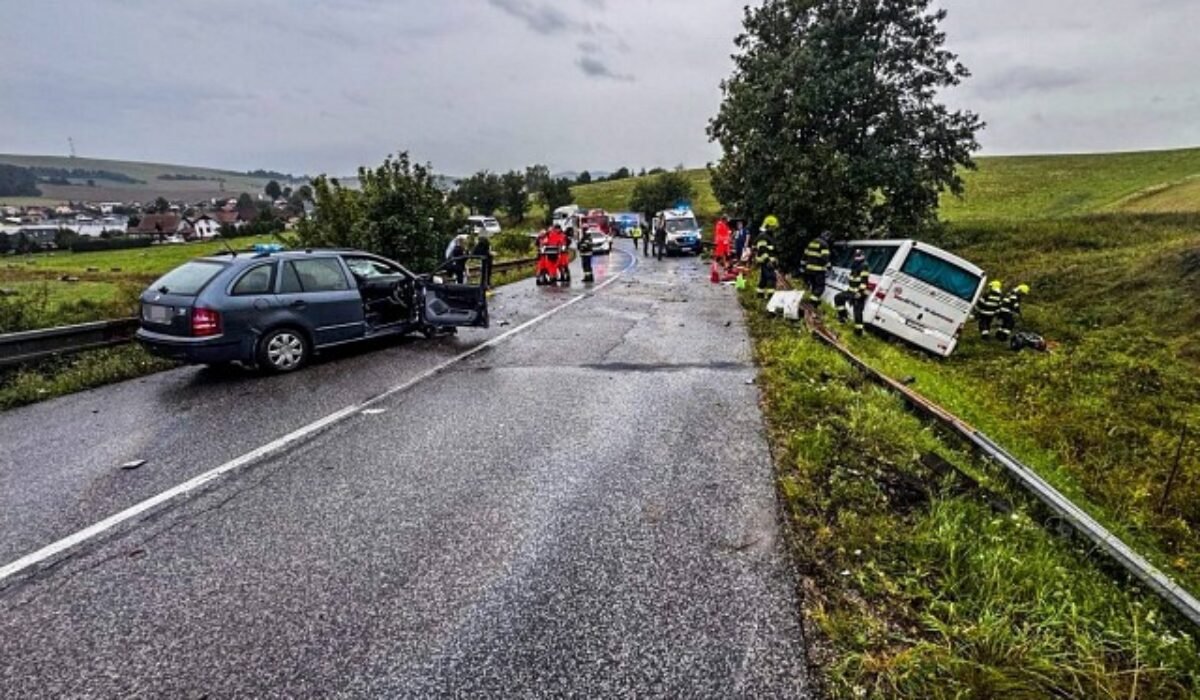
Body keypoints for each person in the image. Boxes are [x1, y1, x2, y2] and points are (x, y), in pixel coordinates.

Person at [834, 249, 870, 335]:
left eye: (859, 256)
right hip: (851, 291)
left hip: (859, 293)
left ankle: (858, 331)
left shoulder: (864, 266)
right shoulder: (855, 265)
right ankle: (843, 317)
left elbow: (864, 282)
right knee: (838, 298)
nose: (857, 258)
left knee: (857, 312)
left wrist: (860, 293)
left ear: (863, 256)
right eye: (856, 256)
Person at [802, 231, 832, 304]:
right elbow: (825, 258)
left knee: (814, 286)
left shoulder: (811, 242)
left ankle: (814, 302)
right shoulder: (824, 244)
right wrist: (829, 267)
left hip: (809, 269)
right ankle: (812, 301)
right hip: (819, 270)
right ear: (827, 237)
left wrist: (803, 265)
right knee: (820, 287)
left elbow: (805, 255)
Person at [755, 215, 780, 296]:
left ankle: (759, 295)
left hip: (769, 261)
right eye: (773, 227)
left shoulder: (770, 236)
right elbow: (762, 250)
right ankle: (770, 297)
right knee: (771, 278)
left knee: (764, 280)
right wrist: (767, 261)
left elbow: (772, 250)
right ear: (768, 226)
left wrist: (775, 259)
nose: (774, 229)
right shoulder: (763, 236)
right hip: (766, 262)